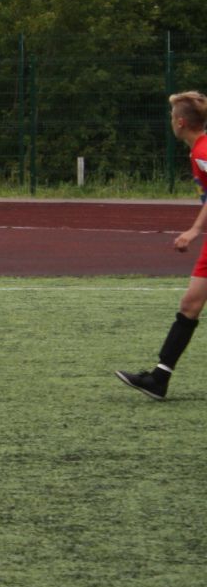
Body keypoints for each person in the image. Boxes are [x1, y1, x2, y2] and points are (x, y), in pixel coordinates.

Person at [116, 91, 207, 399]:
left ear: (181, 122)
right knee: (190, 304)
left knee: (190, 304)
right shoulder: (197, 150)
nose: (170, 122)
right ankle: (159, 379)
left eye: (171, 117)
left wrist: (194, 230)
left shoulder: (202, 152)